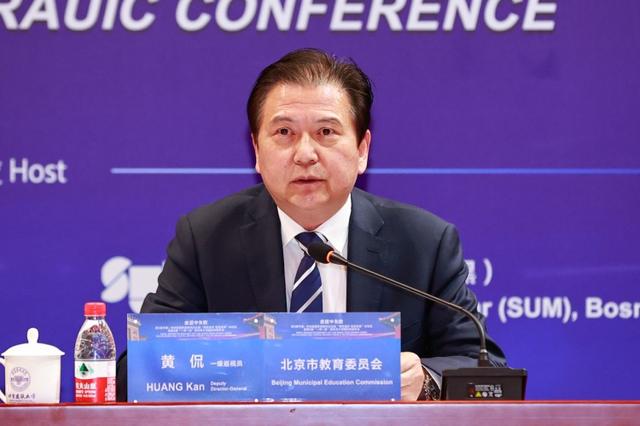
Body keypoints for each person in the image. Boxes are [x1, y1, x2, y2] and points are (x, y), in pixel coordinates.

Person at [116, 48, 506, 401]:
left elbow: (487, 372)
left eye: (326, 132)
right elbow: (132, 371)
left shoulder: (425, 242)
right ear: (256, 151)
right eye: (284, 132)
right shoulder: (206, 238)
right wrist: (233, 367)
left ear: (362, 150)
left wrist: (426, 381)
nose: (305, 154)